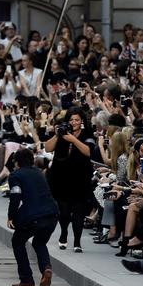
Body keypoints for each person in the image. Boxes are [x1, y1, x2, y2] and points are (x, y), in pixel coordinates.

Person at [7, 148, 59, 286]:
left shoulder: (15, 175)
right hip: (52, 214)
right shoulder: (39, 173)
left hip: (34, 216)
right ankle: (46, 268)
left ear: (16, 162)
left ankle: (27, 280)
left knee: (17, 242)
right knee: (40, 243)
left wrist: (11, 216)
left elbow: (15, 197)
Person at [45, 106, 94, 252]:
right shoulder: (61, 132)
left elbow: (88, 151)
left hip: (81, 178)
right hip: (61, 178)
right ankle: (64, 233)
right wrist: (57, 135)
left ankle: (77, 242)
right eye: (71, 120)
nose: (74, 122)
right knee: (64, 212)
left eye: (77, 120)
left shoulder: (87, 133)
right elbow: (47, 149)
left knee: (79, 212)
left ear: (82, 121)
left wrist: (73, 139)